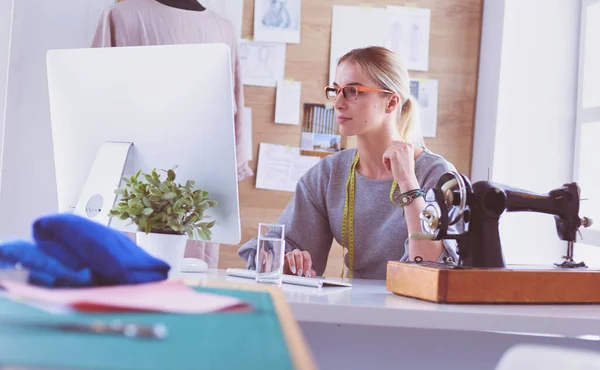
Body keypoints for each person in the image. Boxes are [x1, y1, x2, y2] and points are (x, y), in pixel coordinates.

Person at [238, 46, 460, 280]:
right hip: (353, 309)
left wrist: (408, 182)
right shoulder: (329, 174)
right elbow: (276, 249)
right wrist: (283, 263)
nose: (338, 103)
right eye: (336, 91)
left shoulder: (437, 175)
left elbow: (430, 268)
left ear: (391, 103)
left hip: (415, 312)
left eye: (352, 91)